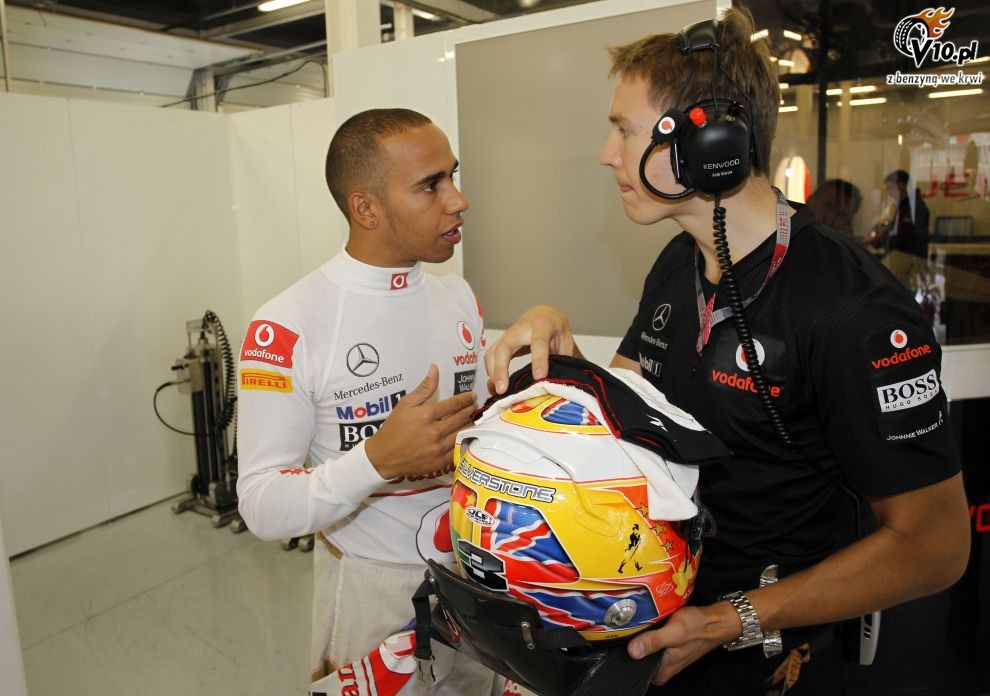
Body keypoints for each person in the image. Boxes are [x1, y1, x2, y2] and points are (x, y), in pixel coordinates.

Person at [485, 9, 970, 695]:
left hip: (772, 660)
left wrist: (726, 621)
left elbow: (935, 547)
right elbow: (632, 425)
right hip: (662, 630)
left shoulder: (849, 309)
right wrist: (564, 357)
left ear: (708, 142)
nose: (605, 153)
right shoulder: (677, 262)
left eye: (624, 130)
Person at [236, 108, 495, 693]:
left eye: (453, 176)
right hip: (370, 589)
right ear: (366, 208)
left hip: (474, 575)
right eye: (431, 185)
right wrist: (378, 460)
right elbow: (261, 503)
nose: (458, 200)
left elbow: (485, 428)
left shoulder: (458, 297)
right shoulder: (287, 324)